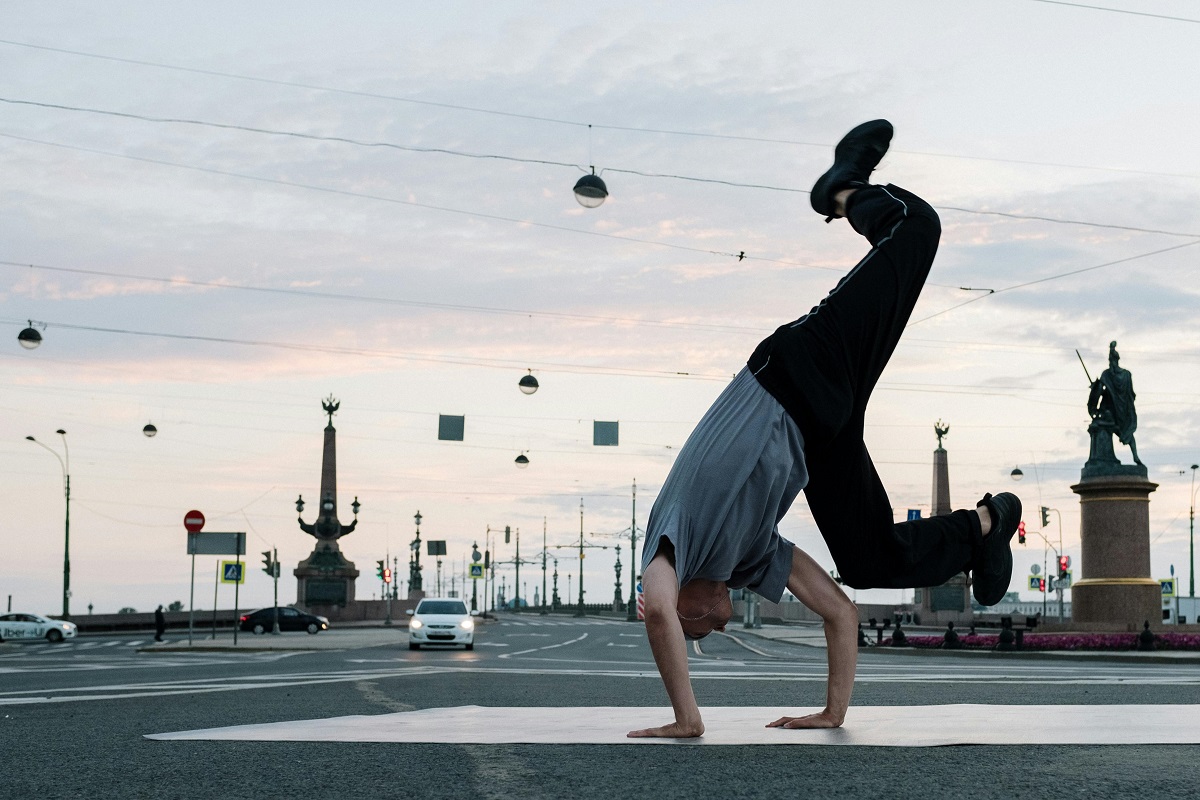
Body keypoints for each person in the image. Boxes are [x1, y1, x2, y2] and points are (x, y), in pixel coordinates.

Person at [627, 120, 1021, 739]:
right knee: (865, 559)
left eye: (702, 629)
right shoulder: (750, 559)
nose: (721, 628)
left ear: (679, 606)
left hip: (799, 370)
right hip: (822, 436)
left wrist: (687, 718)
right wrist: (833, 712)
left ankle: (843, 191)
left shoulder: (669, 545)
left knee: (919, 231)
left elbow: (656, 617)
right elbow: (839, 611)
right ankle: (988, 525)